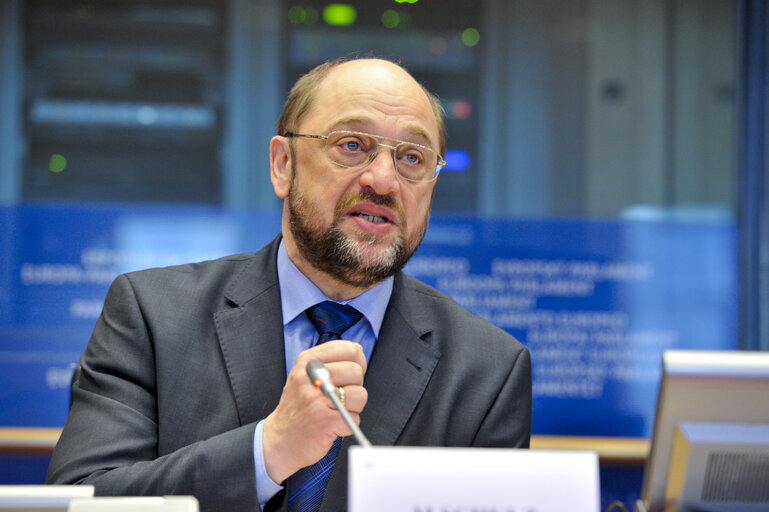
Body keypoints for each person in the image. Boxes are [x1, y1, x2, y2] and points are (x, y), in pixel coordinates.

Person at [47, 57, 532, 512]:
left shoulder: (488, 370)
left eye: (412, 157)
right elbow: (81, 500)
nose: (384, 180)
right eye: (352, 145)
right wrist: (269, 450)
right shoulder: (152, 315)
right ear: (284, 165)